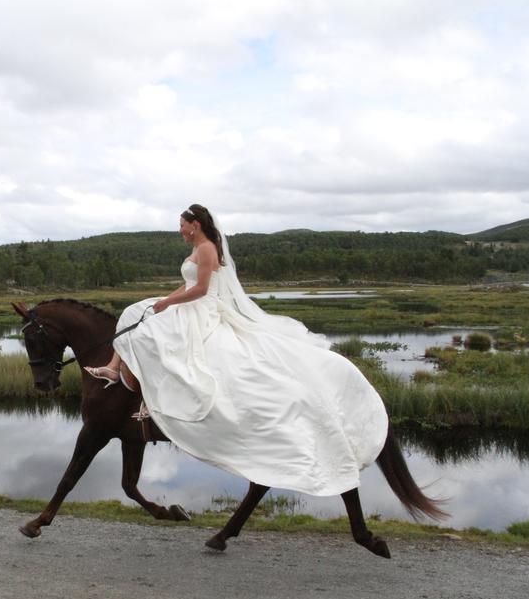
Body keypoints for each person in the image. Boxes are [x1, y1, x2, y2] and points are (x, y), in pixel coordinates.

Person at [85, 204, 388, 497]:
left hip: (201, 310)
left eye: (182, 225)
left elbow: (202, 290)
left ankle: (152, 399)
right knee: (133, 314)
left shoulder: (207, 249)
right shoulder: (195, 249)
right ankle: (114, 367)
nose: (180, 231)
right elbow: (185, 284)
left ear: (196, 224)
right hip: (186, 304)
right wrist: (162, 301)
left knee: (162, 342)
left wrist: (170, 304)